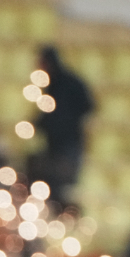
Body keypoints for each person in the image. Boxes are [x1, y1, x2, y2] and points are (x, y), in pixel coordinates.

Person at [34, 46, 95, 204]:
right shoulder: (58, 84)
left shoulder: (66, 84)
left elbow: (88, 107)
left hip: (67, 145)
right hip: (57, 146)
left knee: (63, 188)